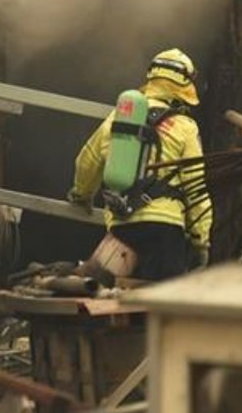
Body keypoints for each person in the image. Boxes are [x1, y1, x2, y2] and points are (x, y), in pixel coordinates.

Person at [68, 49, 213, 281]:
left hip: (123, 228)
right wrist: (200, 241)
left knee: (111, 299)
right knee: (161, 308)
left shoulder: (120, 116)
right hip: (165, 231)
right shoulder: (186, 127)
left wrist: (81, 195)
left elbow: (88, 160)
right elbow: (196, 189)